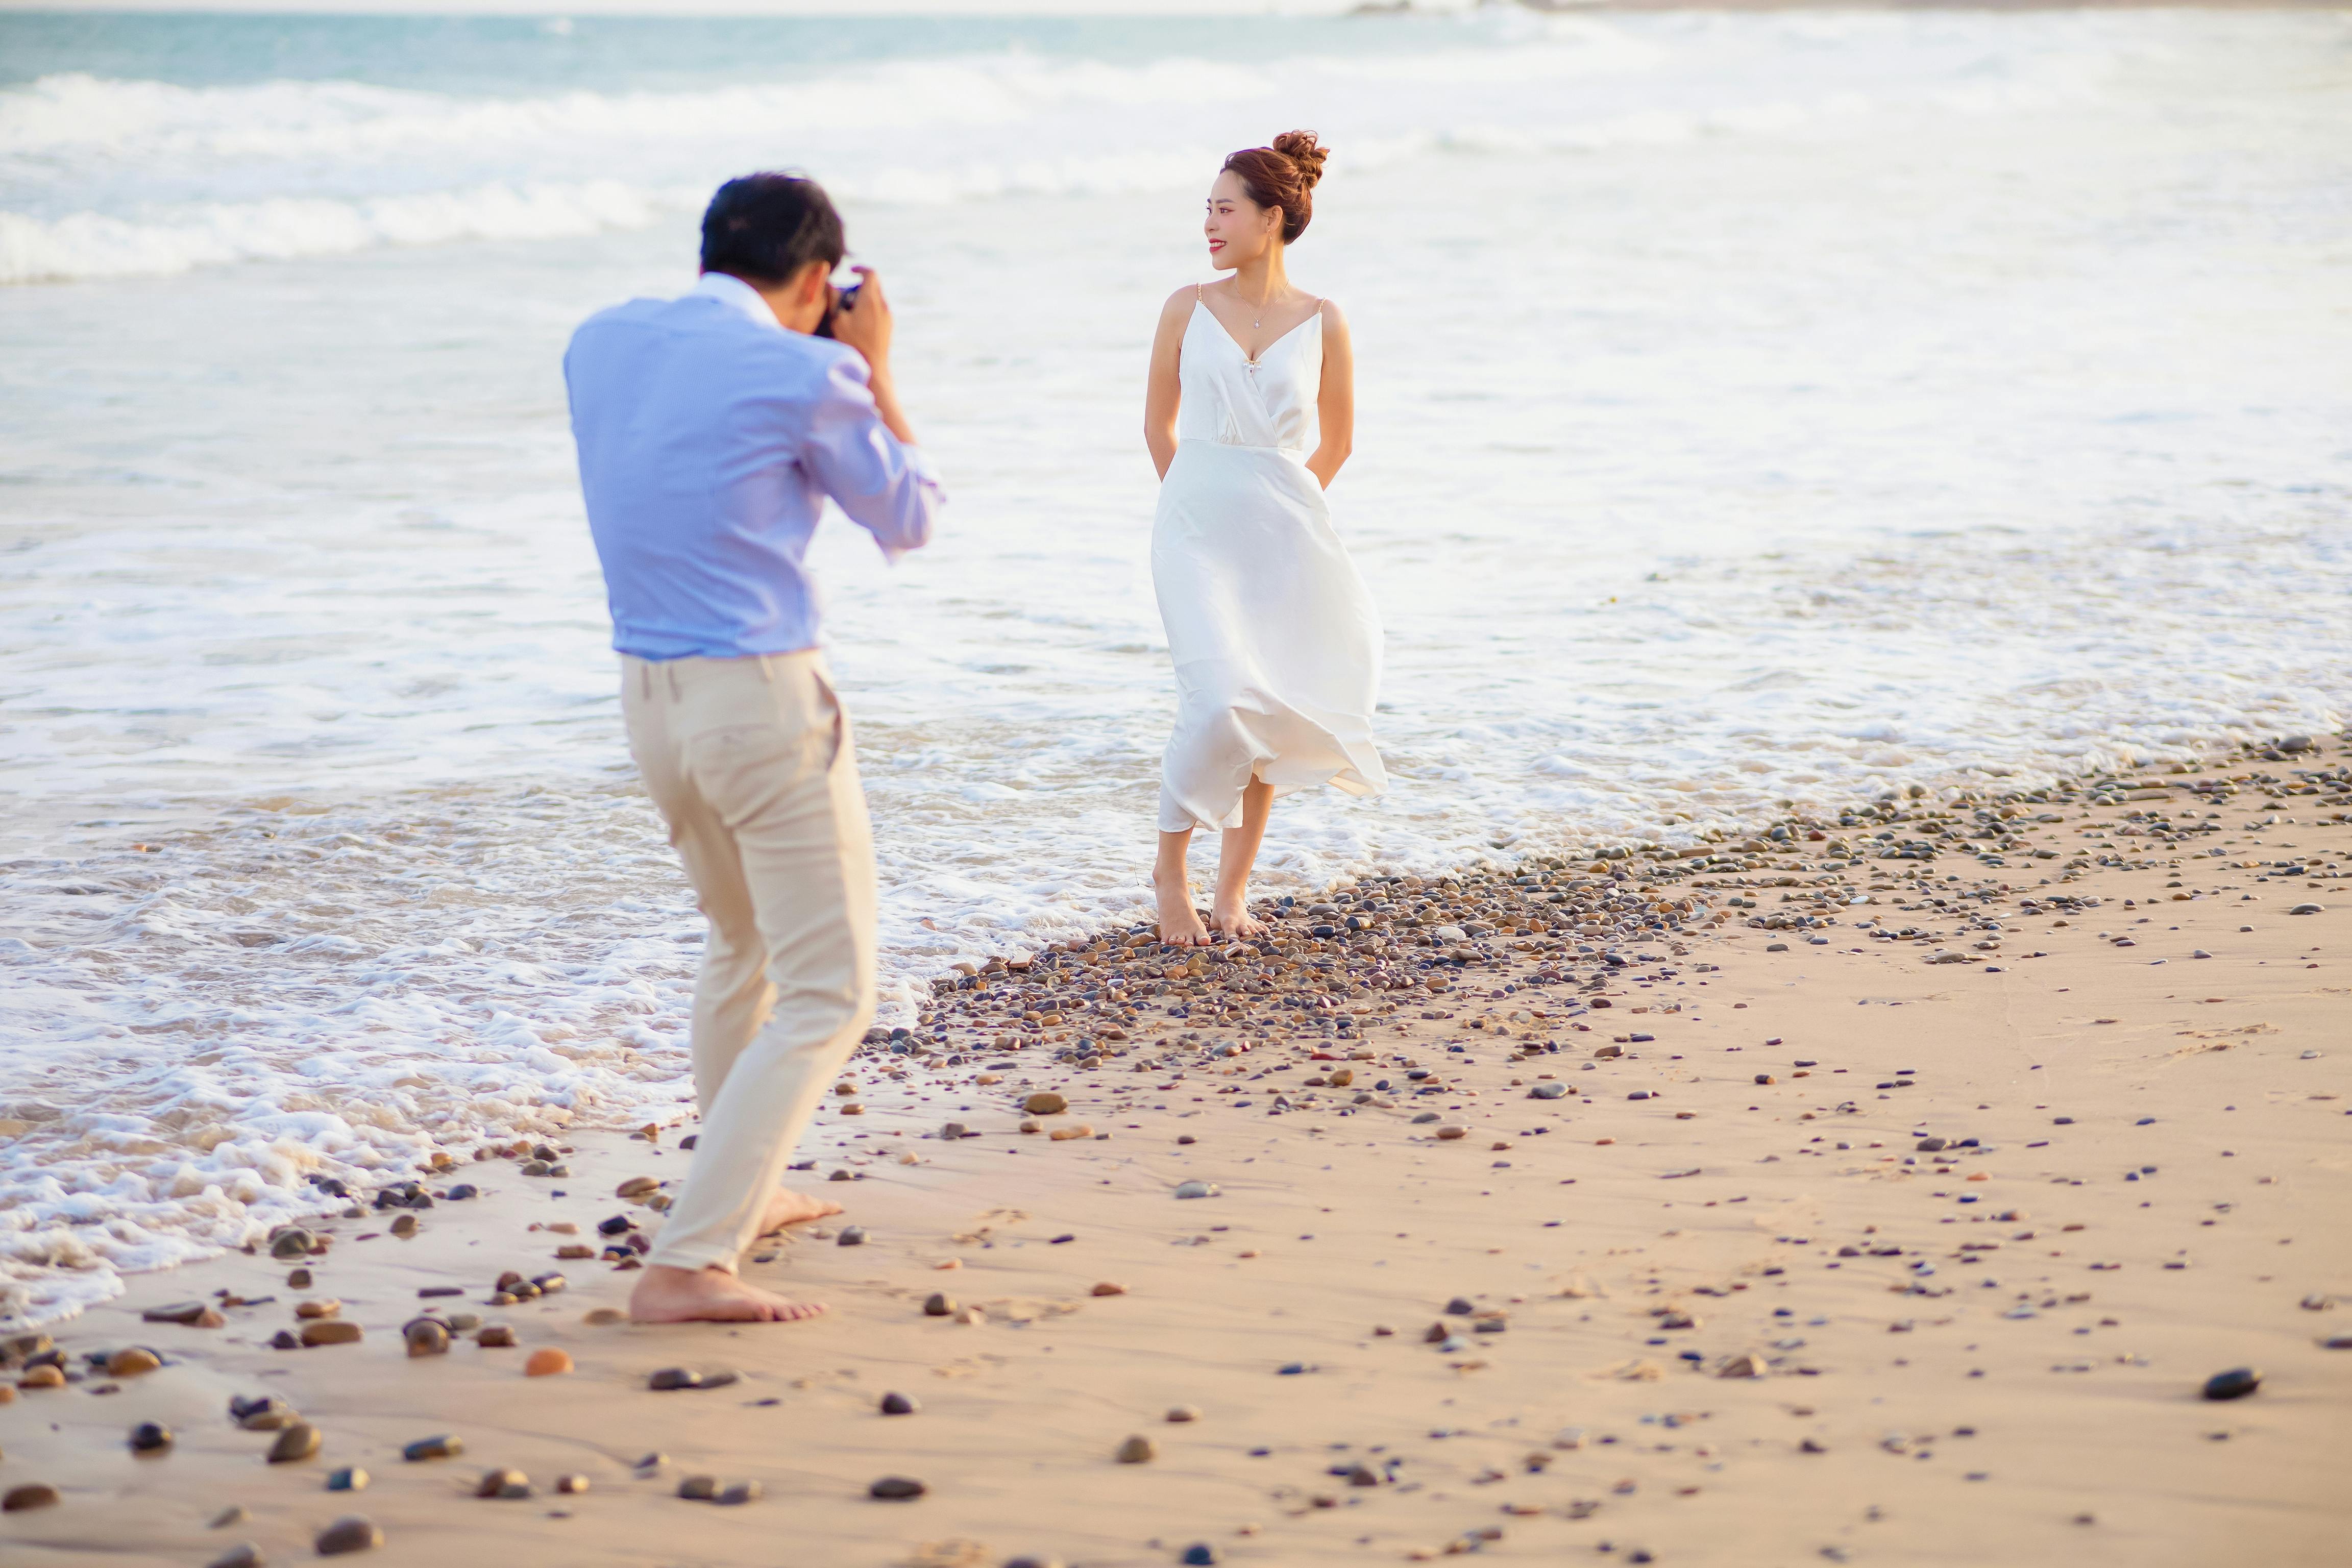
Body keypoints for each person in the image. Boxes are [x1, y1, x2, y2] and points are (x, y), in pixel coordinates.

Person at [564, 173, 943, 1322]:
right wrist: (873, 363)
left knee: (742, 947)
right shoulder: (811, 371)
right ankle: (688, 1260)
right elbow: (909, 516)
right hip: (761, 700)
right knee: (835, 990)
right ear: (825, 280)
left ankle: (747, 1191)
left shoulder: (600, 341)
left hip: (649, 697)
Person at [1141, 130, 1387, 946]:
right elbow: (1158, 425)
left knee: (1269, 706)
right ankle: (1169, 875)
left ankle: (1232, 893)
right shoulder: (1186, 305)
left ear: (1271, 217)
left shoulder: (1324, 320)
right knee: (1218, 699)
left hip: (1284, 531)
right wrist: (1195, 503)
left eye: (1224, 209)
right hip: (1195, 525)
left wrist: (1282, 511)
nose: (1209, 224)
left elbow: (1340, 441)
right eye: (1206, 209)